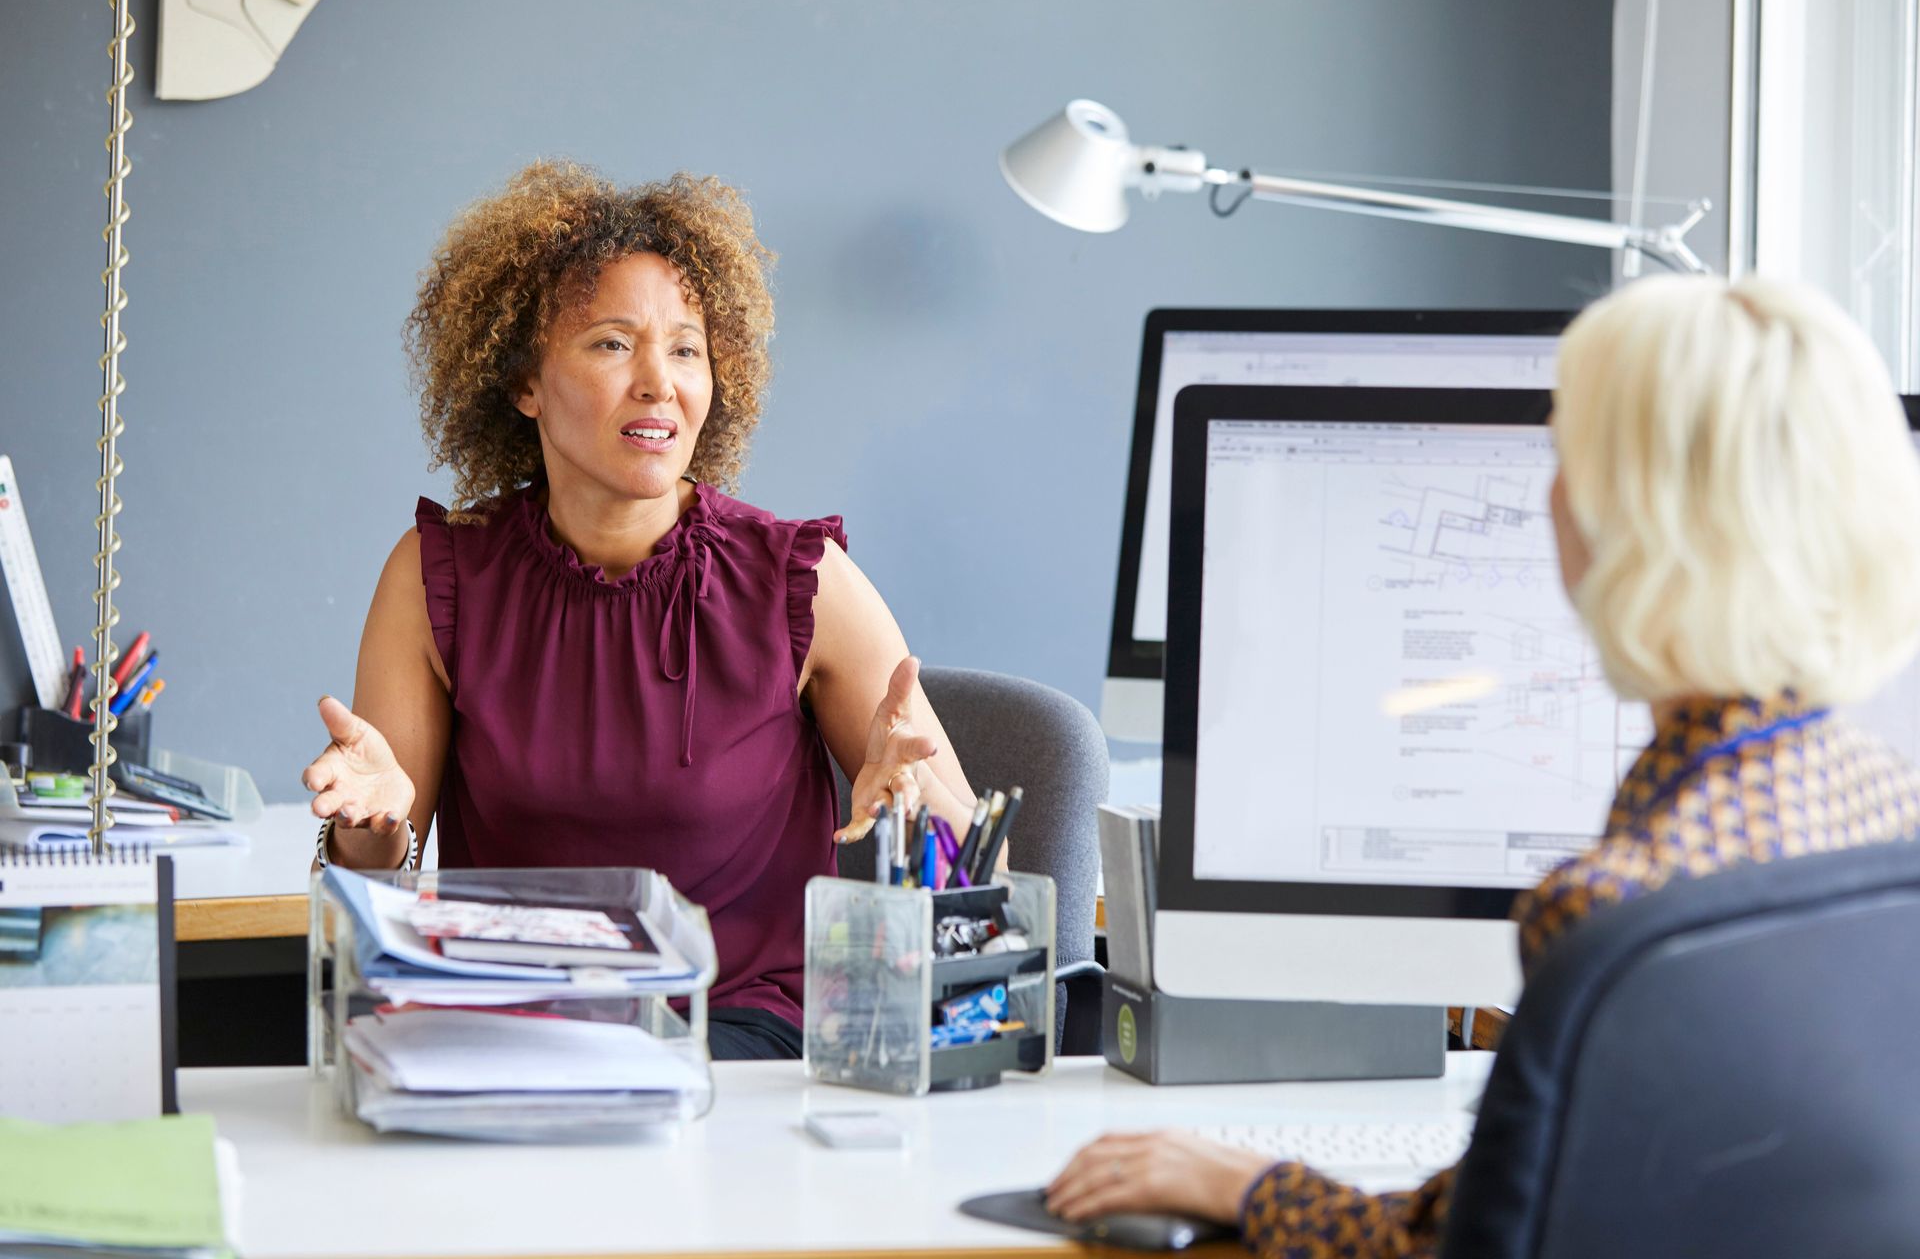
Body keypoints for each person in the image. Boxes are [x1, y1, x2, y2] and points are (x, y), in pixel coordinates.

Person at [1045, 274, 1920, 1254]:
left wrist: (1250, 1184)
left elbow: (1452, 1245)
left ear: (1621, 531)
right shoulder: (1889, 811)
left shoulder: (1617, 920)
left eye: (1567, 452)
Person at [301, 161, 977, 1060]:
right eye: (613, 344)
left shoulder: (801, 580)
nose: (659, 382)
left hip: (736, 1036)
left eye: (687, 348)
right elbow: (374, 889)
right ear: (523, 383)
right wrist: (368, 826)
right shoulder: (438, 577)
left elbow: (977, 873)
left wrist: (914, 814)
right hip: (515, 1024)